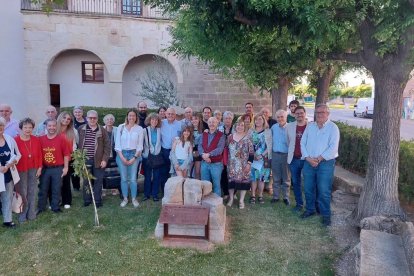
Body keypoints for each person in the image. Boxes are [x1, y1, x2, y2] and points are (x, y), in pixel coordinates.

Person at [300, 104, 340, 226]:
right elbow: (302, 143)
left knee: (323, 190)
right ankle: (310, 210)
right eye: (317, 112)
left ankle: (326, 215)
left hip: (325, 163)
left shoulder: (333, 128)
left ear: (328, 114)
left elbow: (333, 147)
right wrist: (307, 158)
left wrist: (318, 159)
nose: (320, 115)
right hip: (309, 162)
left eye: (322, 112)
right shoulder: (310, 126)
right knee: (308, 188)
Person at [78, 110, 110, 208]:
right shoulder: (81, 129)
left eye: (94, 118)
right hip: (85, 160)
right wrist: (79, 159)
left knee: (98, 180)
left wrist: (104, 159)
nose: (92, 119)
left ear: (97, 119)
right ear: (86, 118)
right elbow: (76, 144)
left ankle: (97, 200)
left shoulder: (102, 130)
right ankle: (87, 200)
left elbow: (107, 146)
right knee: (87, 181)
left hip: (99, 160)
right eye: (90, 118)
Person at [38, 119, 70, 214]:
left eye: (53, 126)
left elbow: (66, 154)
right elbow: (38, 154)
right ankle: (41, 207)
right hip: (45, 168)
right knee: (43, 188)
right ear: (46, 127)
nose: (52, 128)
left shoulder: (61, 138)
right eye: (49, 126)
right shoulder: (41, 139)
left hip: (57, 168)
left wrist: (66, 167)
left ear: (56, 126)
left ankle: (55, 207)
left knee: (56, 188)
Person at [15, 118, 42, 222]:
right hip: (21, 169)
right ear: (21, 128)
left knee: (32, 190)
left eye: (30, 127)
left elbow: (40, 154)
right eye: (25, 127)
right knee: (22, 191)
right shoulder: (15, 140)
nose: (28, 129)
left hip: (34, 168)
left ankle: (31, 213)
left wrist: (39, 167)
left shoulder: (36, 139)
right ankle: (23, 213)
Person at [115, 109, 143, 208]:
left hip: (134, 154)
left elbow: (140, 146)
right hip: (121, 154)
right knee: (124, 179)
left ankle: (134, 199)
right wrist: (122, 157)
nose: (131, 117)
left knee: (132, 179)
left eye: (133, 116)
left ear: (136, 117)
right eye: (130, 115)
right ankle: (125, 198)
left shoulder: (139, 129)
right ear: (127, 116)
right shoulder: (120, 127)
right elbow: (117, 144)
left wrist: (134, 158)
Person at [226, 118, 254, 209]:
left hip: (244, 164)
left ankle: (241, 200)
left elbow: (251, 153)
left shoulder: (248, 138)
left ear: (245, 127)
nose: (240, 127)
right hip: (232, 164)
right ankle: (231, 199)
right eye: (238, 125)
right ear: (235, 126)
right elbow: (226, 149)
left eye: (242, 125)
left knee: (244, 182)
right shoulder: (230, 137)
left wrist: (249, 164)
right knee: (231, 182)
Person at [0, 117, 21, 227]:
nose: (0, 128)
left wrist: (8, 165)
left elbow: (18, 154)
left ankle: (7, 221)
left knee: (7, 197)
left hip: (8, 174)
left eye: (1, 125)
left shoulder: (9, 138)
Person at [286, 106, 308, 212]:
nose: (299, 115)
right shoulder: (289, 126)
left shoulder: (311, 126)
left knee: (308, 183)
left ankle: (311, 205)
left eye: (301, 113)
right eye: (297, 113)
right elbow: (288, 142)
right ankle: (299, 204)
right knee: (296, 183)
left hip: (307, 159)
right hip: (294, 159)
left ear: (305, 113)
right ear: (294, 115)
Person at [199, 117, 225, 196]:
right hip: (204, 163)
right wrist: (203, 155)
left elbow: (220, 149)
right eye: (210, 122)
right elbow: (200, 145)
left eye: (214, 122)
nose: (211, 124)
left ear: (217, 123)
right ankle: (206, 201)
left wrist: (209, 155)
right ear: (207, 123)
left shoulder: (221, 135)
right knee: (205, 183)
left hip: (216, 164)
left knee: (216, 184)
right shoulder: (204, 134)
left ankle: (217, 204)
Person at [57, 111, 78, 209]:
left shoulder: (72, 131)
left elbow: (74, 146)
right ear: (60, 118)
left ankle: (66, 201)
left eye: (68, 119)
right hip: (55, 160)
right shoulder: (54, 129)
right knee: (56, 181)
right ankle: (56, 200)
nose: (66, 120)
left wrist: (75, 157)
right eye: (64, 118)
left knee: (65, 180)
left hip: (68, 159)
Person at [270, 109, 291, 205]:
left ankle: (286, 197)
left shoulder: (290, 127)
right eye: (278, 117)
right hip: (275, 155)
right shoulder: (273, 127)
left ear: (286, 117)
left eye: (282, 116)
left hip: (286, 155)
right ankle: (276, 196)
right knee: (276, 177)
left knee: (286, 178)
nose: (280, 119)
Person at [250, 114, 271, 204]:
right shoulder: (251, 132)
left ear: (263, 121)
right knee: (253, 178)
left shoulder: (267, 131)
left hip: (264, 158)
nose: (258, 121)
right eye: (256, 119)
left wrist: (261, 155)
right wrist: (254, 154)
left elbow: (270, 146)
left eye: (260, 119)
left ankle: (260, 195)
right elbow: (249, 144)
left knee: (262, 178)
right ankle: (253, 195)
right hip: (253, 158)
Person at [160, 108, 182, 192]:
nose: (170, 115)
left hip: (176, 151)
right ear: (165, 114)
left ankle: (176, 190)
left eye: (172, 114)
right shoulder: (162, 123)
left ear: (175, 115)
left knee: (176, 170)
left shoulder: (180, 124)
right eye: (168, 114)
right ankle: (164, 190)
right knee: (164, 171)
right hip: (165, 150)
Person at [142, 113, 162, 201]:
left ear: (158, 121)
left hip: (157, 155)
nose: (154, 121)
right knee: (148, 176)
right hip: (147, 156)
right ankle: (146, 194)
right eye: (152, 119)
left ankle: (155, 194)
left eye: (156, 120)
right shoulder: (144, 130)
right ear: (149, 121)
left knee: (157, 176)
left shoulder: (160, 130)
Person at [219, 111, 234, 199]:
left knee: (233, 173)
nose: (227, 120)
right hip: (222, 154)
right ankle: (225, 192)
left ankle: (233, 192)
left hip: (233, 154)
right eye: (226, 118)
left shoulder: (236, 128)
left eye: (229, 118)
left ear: (232, 120)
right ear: (223, 119)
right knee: (224, 172)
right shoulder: (219, 128)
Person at [103, 114, 118, 196]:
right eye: (108, 119)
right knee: (104, 172)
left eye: (111, 119)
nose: (109, 120)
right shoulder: (101, 129)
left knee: (114, 172)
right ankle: (104, 189)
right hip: (104, 153)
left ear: (113, 121)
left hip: (115, 153)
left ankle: (114, 188)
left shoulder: (117, 129)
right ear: (105, 121)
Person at [71, 106, 86, 191]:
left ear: (82, 112)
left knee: (85, 167)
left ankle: (86, 184)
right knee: (75, 167)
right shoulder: (71, 122)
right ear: (73, 113)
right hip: (75, 148)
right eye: (76, 112)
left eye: (79, 112)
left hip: (85, 147)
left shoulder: (87, 121)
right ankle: (76, 186)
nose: (77, 113)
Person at [191, 112, 203, 180]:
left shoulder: (203, 130)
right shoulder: (189, 129)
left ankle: (197, 186)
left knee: (197, 171)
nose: (194, 121)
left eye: (196, 119)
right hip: (190, 152)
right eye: (192, 119)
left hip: (199, 152)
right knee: (188, 171)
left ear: (199, 120)